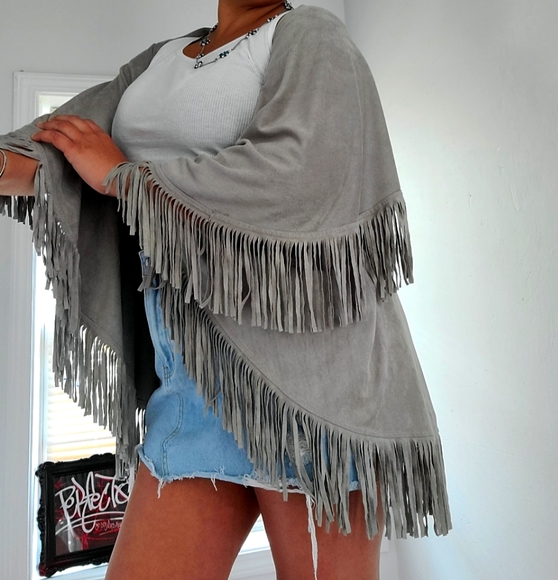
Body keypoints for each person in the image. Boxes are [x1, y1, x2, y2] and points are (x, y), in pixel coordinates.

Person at [0, 2, 452, 579]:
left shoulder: (309, 35)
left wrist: (124, 179)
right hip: (191, 386)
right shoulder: (160, 62)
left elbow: (303, 179)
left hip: (308, 394)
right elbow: (49, 152)